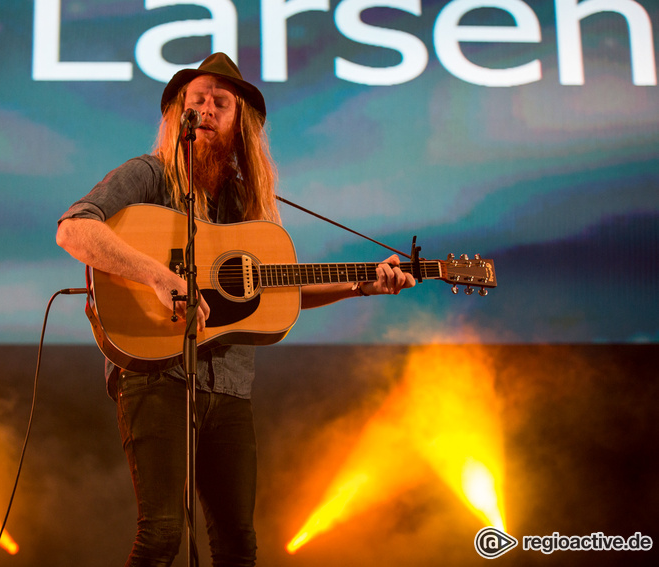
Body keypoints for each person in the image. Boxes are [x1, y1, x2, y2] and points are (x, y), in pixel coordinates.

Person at [56, 52, 415, 567]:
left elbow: (278, 290)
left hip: (228, 387)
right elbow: (74, 229)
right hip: (155, 372)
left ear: (239, 121)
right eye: (196, 99)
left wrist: (360, 287)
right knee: (160, 536)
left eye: (219, 102)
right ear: (179, 112)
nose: (205, 108)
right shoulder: (148, 176)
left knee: (238, 545)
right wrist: (160, 277)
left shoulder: (247, 205)